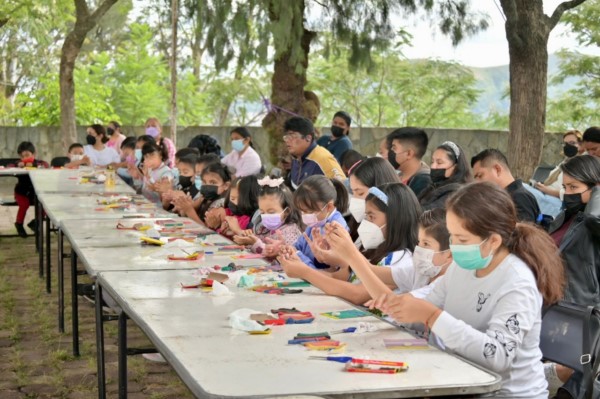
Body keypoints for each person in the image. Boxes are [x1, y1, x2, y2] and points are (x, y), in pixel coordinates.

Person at [369, 182, 565, 398]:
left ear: (493, 241)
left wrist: (431, 316)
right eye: (451, 236)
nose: (453, 246)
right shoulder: (462, 268)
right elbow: (428, 305)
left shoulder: (518, 283)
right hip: (463, 380)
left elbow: (497, 356)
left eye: (462, 239)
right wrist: (401, 309)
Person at [279, 183, 432, 306]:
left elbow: (357, 294)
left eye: (371, 217)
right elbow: (338, 277)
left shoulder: (401, 259)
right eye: (366, 216)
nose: (365, 223)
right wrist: (325, 260)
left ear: (396, 220)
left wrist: (304, 271)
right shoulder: (372, 249)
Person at [547, 155, 600, 305]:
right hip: (554, 301)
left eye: (574, 187)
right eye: (565, 187)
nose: (568, 193)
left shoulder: (593, 219)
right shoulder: (567, 215)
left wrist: (598, 190)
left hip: (580, 308)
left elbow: (595, 219)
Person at [233, 177, 303, 258]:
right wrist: (248, 239)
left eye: (271, 212)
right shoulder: (263, 227)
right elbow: (256, 246)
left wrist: (255, 243)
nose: (266, 216)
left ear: (287, 211)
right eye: (262, 212)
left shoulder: (291, 232)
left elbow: (283, 257)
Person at [291, 175, 349, 269]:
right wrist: (289, 249)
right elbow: (300, 245)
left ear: (329, 207)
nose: (304, 215)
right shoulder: (317, 221)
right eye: (302, 211)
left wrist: (297, 255)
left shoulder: (336, 229)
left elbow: (326, 271)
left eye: (309, 211)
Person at [472, 149, 541, 223]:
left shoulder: (520, 198)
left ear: (497, 169)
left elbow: (523, 233)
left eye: (480, 176)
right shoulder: (507, 198)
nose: (477, 183)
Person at [347, 157, 399, 242]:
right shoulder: (358, 225)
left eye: (360, 193)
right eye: (353, 193)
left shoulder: (392, 235)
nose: (354, 199)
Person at [284, 117, 345, 189]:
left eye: (292, 136)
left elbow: (343, 188)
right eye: (286, 136)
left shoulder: (323, 158)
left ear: (308, 138)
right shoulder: (296, 158)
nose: (287, 140)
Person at [173, 162, 232, 226]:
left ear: (226, 185)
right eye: (204, 182)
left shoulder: (221, 205)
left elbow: (206, 229)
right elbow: (185, 215)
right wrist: (184, 206)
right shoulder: (203, 197)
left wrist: (189, 210)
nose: (207, 186)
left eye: (213, 182)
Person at [418, 141, 471, 210]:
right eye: (432, 162)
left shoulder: (455, 193)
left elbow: (430, 213)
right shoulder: (433, 186)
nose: (433, 166)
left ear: (454, 167)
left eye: (439, 163)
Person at [12, 141, 49, 237]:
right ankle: (19, 224)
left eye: (27, 155)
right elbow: (9, 166)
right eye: (22, 156)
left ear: (34, 154)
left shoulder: (40, 163)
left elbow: (46, 165)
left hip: (36, 192)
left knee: (45, 205)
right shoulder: (18, 163)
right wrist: (19, 165)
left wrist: (33, 165)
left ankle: (35, 222)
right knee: (24, 205)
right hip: (21, 192)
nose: (24, 158)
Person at [386, 127, 432, 197]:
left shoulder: (423, 182)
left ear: (409, 154)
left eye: (394, 148)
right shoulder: (397, 175)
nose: (390, 152)